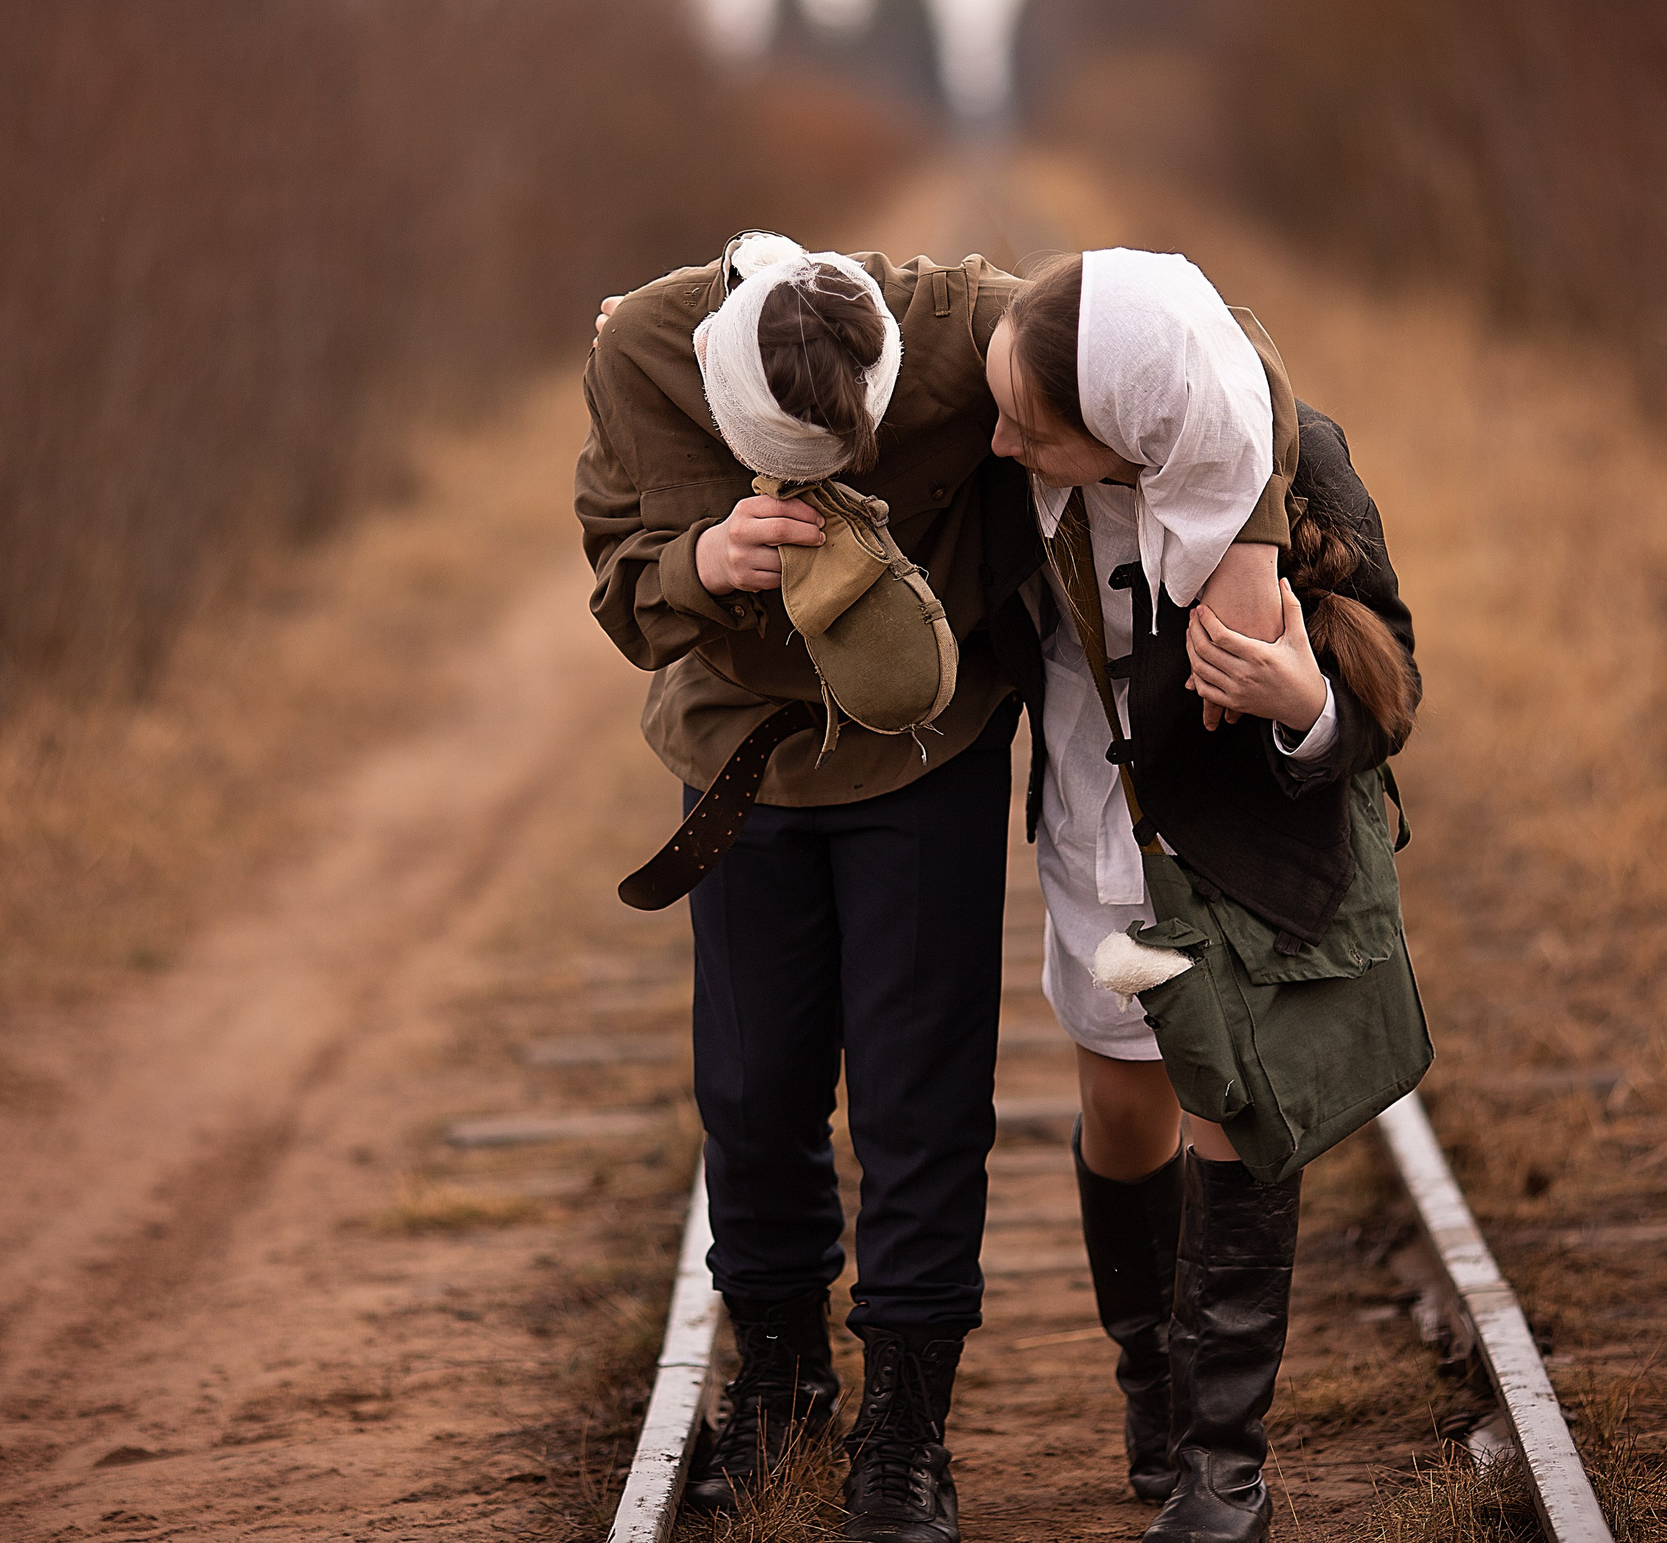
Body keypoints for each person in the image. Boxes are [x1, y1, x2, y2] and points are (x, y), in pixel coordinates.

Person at [577, 231, 1030, 1543]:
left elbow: (1181, 331)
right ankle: (780, 1370)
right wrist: (701, 564)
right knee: (752, 1085)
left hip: (926, 753)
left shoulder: (958, 325)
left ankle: (907, 1422)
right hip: (740, 760)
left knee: (921, 1094)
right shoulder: (642, 351)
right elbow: (617, 578)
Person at [977, 249, 1420, 1543]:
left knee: (1228, 1107)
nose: (1002, 439)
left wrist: (1307, 706)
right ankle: (1151, 1385)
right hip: (1098, 852)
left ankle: (1225, 1467)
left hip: (1233, 856)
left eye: (1031, 424)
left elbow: (1394, 686)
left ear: (1121, 426)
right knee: (1124, 1107)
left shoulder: (1298, 463)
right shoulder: (1020, 490)